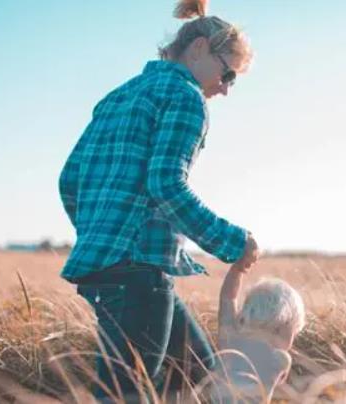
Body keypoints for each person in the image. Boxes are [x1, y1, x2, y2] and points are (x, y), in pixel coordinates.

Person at [57, 0, 258, 400]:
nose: (226, 87)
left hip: (109, 267)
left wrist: (102, 234)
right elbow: (165, 185)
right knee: (123, 395)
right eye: (228, 73)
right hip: (138, 272)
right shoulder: (186, 97)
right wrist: (235, 243)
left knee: (197, 369)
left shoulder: (118, 96)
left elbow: (69, 180)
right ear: (198, 48)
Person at [207, 264, 306, 402]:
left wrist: (237, 270)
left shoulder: (230, 338)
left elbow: (228, 297)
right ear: (281, 327)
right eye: (294, 333)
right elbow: (279, 386)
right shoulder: (281, 359)